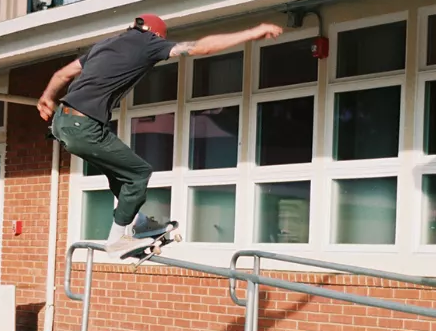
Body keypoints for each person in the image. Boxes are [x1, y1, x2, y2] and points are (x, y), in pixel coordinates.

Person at [38, 13, 283, 256]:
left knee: (120, 174)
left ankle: (137, 221)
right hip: (85, 126)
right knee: (139, 173)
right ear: (155, 34)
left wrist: (47, 97)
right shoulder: (149, 43)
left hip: (63, 122)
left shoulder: (104, 45)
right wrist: (253, 32)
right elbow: (200, 48)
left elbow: (62, 75)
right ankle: (116, 241)